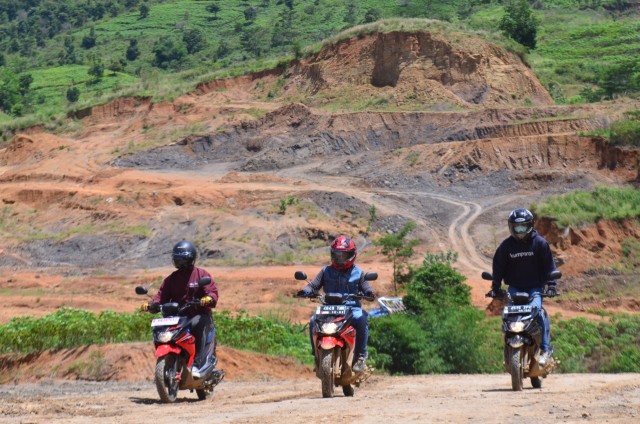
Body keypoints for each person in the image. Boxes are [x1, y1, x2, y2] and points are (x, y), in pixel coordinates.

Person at [486, 208, 558, 366]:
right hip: (515, 288)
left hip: (535, 288)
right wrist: (495, 287)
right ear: (511, 227)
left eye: (523, 227)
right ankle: (508, 347)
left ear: (530, 226)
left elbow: (549, 266)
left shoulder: (540, 243)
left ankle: (545, 349)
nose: (520, 232)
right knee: (508, 316)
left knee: (538, 313)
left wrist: (551, 285)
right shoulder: (506, 247)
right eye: (517, 228)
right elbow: (498, 268)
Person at [297, 235, 375, 373]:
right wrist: (305, 291)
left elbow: (366, 286)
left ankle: (360, 357)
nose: (340, 258)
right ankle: (316, 355)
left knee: (362, 319)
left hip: (351, 308)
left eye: (344, 255)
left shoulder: (358, 273)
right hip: (329, 308)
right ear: (332, 254)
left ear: (352, 255)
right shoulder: (326, 271)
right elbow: (314, 285)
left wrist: (369, 293)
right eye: (337, 255)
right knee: (313, 320)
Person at [141, 240, 219, 378]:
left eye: (182, 259)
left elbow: (212, 292)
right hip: (178, 317)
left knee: (198, 323)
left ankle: (197, 364)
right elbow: (161, 297)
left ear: (190, 258)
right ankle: (173, 360)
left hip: (198, 314)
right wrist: (152, 305)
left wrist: (207, 298)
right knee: (161, 328)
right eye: (177, 259)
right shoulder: (171, 279)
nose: (179, 262)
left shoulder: (201, 275)